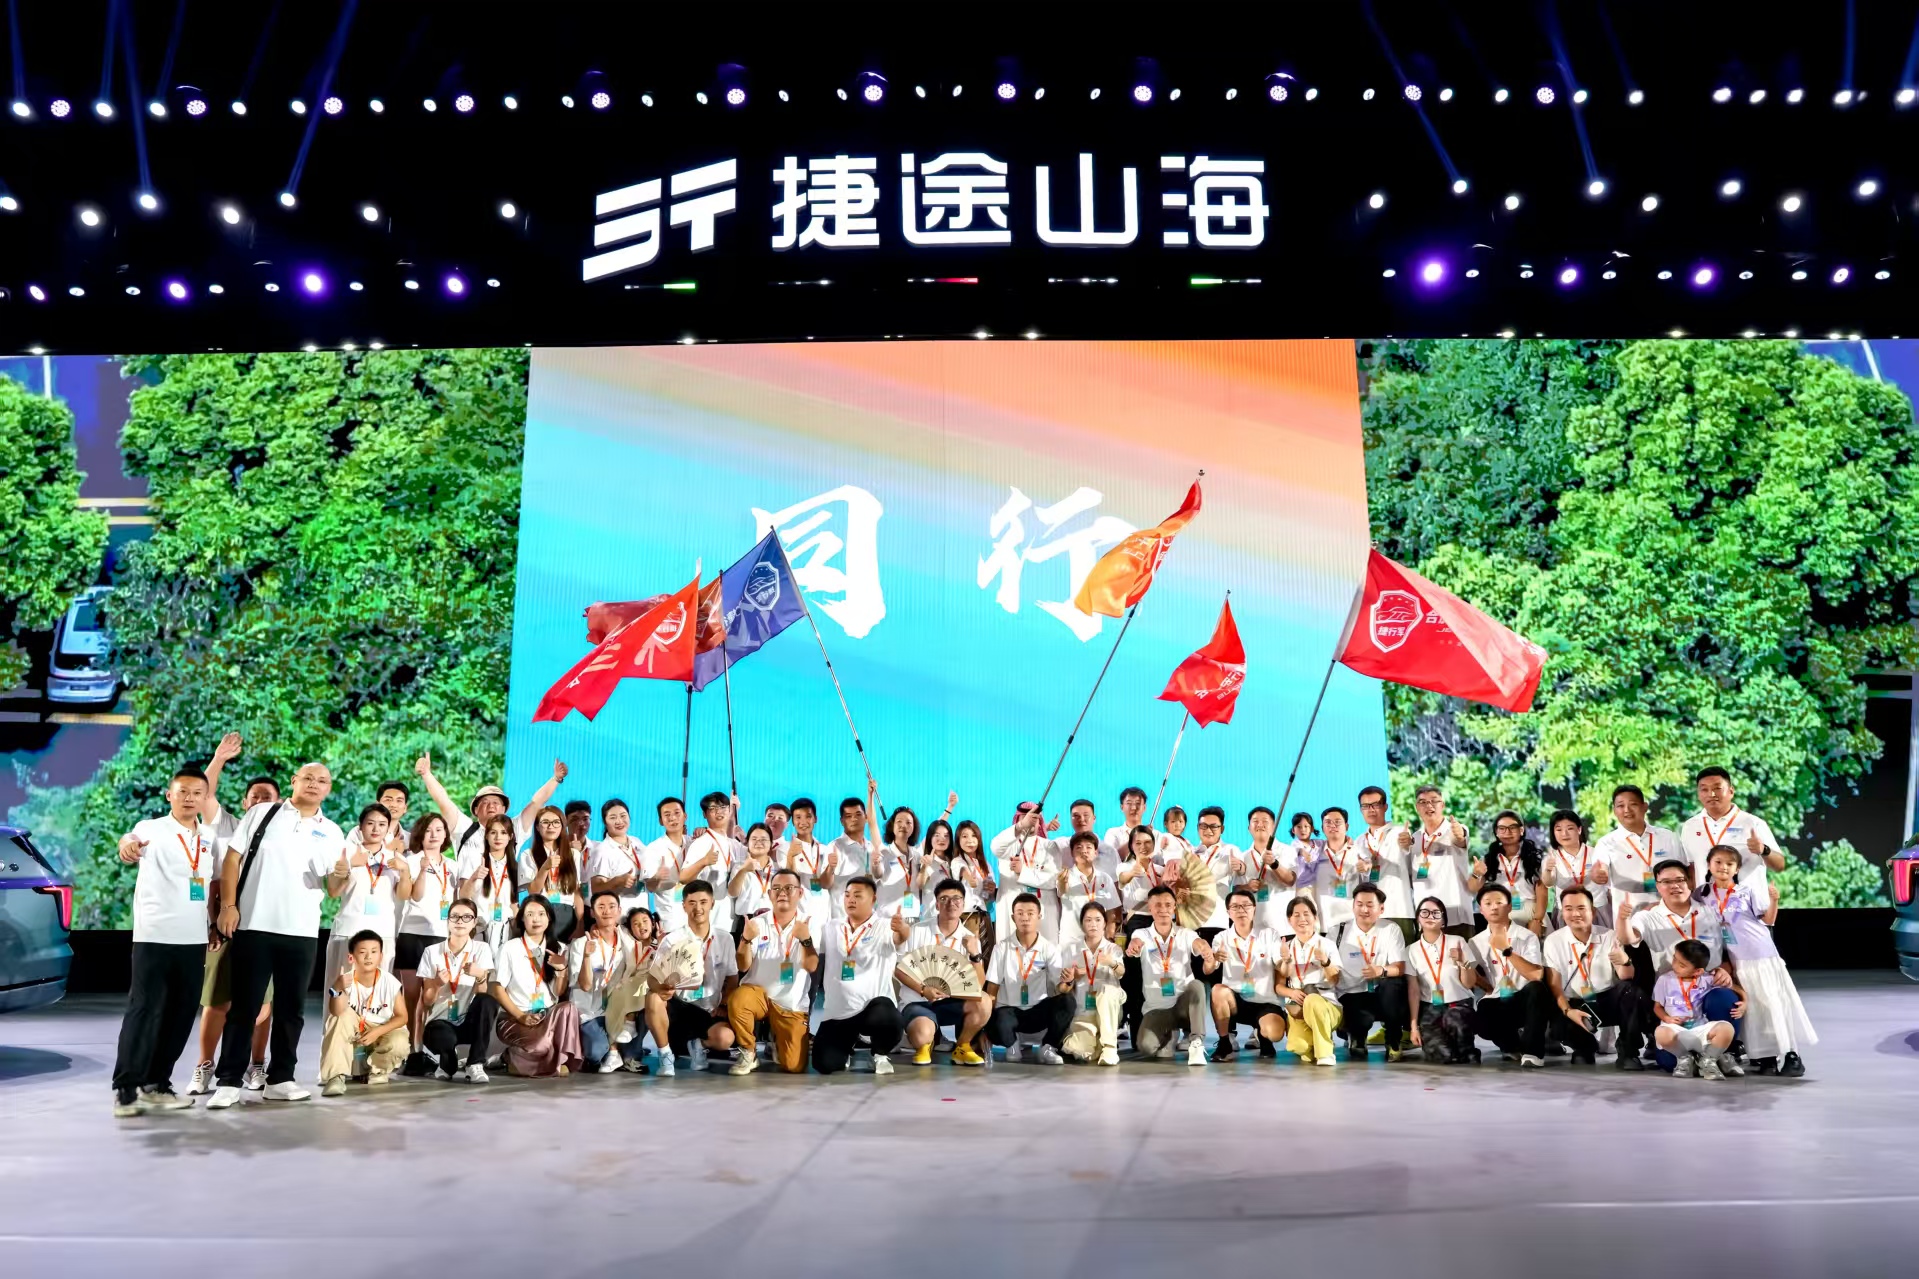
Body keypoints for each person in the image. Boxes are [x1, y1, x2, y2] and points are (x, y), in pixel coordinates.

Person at [208, 761, 344, 1110]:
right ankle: (228, 1081)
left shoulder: (332, 831)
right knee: (245, 1007)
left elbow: (332, 889)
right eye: (308, 778)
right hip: (254, 924)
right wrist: (228, 905)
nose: (314, 784)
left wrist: (343, 875)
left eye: (322, 780)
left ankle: (281, 1078)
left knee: (291, 1009)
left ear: (328, 789)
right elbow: (232, 860)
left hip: (301, 930)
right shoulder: (264, 813)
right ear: (294, 781)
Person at [111, 764, 224, 1116]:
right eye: (182, 792)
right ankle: (125, 1088)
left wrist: (213, 925)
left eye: (197, 793)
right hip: (155, 935)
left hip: (194, 939)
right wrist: (127, 847)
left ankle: (156, 1083)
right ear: (169, 795)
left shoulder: (210, 838)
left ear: (205, 798)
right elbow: (128, 840)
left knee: (181, 1013)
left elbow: (210, 886)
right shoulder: (152, 828)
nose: (189, 798)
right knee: (144, 1009)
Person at [189, 762, 278, 1096]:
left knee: (263, 1006)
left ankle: (257, 1064)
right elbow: (206, 793)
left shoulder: (282, 835)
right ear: (244, 802)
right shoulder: (228, 825)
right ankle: (204, 1065)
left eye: (267, 798)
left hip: (265, 929)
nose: (260, 801)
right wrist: (220, 757)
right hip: (225, 926)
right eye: (255, 796)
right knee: (216, 1001)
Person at [1699, 844, 1812, 1076]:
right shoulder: (1701, 893)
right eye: (1718, 862)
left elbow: (1768, 920)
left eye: (1730, 863)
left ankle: (1791, 1055)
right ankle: (1766, 1057)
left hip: (1760, 955)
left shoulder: (1746, 891)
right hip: (1735, 960)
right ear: (1708, 865)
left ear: (1737, 868)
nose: (1723, 867)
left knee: (1772, 1005)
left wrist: (1774, 900)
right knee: (1753, 1011)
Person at [812, 876, 912, 1075]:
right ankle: (847, 1045)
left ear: (873, 899)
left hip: (872, 1008)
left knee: (889, 1019)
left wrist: (902, 929)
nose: (851, 900)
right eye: (847, 895)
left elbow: (900, 937)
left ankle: (880, 1053)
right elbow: (817, 959)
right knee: (824, 1064)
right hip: (839, 1011)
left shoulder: (884, 926)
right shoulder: (831, 927)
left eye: (858, 896)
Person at [1541, 885, 1643, 1070]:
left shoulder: (1609, 936)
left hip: (1605, 1000)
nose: (1575, 914)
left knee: (1631, 991)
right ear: (1562, 912)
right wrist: (1568, 1011)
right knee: (1555, 1014)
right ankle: (1583, 1047)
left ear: (1593, 911)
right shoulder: (1553, 941)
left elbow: (1626, 976)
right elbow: (1554, 985)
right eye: (1569, 909)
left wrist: (1626, 961)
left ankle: (1628, 1050)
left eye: (1581, 908)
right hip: (1575, 1003)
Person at [727, 869, 818, 1075]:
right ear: (769, 894)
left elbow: (812, 966)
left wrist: (806, 940)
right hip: (758, 995)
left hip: (790, 1003)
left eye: (788, 888)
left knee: (794, 1066)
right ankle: (748, 1052)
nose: (782, 893)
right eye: (776, 888)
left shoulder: (809, 924)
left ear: (800, 893)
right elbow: (742, 966)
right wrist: (745, 940)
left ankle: (776, 1038)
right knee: (739, 1000)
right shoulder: (757, 923)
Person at [644, 880, 738, 1075]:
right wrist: (660, 989)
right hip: (679, 1008)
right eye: (692, 903)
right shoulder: (672, 939)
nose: (698, 908)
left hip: (709, 1011)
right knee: (653, 997)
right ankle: (665, 1057)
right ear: (684, 906)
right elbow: (652, 978)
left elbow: (732, 978)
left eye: (703, 902)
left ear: (712, 903)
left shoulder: (725, 939)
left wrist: (724, 1003)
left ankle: (698, 1045)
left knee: (725, 1038)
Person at [895, 878, 991, 1066]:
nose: (951, 903)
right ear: (937, 904)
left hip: (952, 1002)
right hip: (918, 1001)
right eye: (944, 899)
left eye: (956, 899)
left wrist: (975, 955)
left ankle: (963, 1046)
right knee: (922, 1036)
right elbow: (899, 970)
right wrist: (923, 990)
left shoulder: (969, 938)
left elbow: (978, 986)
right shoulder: (918, 931)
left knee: (984, 1001)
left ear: (963, 903)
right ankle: (926, 1041)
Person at [1594, 784, 1680, 993]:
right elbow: (1599, 868)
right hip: (1631, 925)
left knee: (1675, 977)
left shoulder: (1667, 837)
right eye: (1620, 805)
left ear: (1644, 806)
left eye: (1632, 804)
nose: (1626, 810)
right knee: (1642, 982)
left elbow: (1684, 873)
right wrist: (1599, 873)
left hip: (1668, 920)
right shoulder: (1607, 843)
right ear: (1614, 810)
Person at [490, 896, 582, 1077]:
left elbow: (558, 992)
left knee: (568, 1008)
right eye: (530, 914)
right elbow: (497, 989)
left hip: (547, 1016)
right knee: (541, 1046)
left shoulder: (560, 948)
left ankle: (548, 1061)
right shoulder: (509, 948)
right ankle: (510, 1057)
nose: (536, 919)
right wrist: (520, 1016)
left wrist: (561, 969)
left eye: (541, 914)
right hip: (515, 1018)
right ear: (522, 919)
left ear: (549, 918)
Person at [415, 751, 565, 861]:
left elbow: (536, 802)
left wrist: (556, 779)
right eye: (485, 802)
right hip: (468, 896)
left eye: (496, 802)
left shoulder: (515, 829)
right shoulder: (464, 828)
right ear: (475, 810)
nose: (491, 806)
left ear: (504, 809)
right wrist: (426, 774)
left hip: (505, 896)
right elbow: (443, 800)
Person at [1466, 884, 1553, 1067]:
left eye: (1499, 902)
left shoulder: (1526, 936)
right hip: (1499, 998)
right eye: (1488, 903)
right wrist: (1487, 987)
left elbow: (1536, 974)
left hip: (1524, 999)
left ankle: (1533, 1052)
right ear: (1481, 910)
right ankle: (1512, 1046)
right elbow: (1470, 976)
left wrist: (1507, 950)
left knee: (1537, 989)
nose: (1494, 907)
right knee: (1483, 1011)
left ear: (1510, 906)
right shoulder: (1476, 942)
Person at [323, 803, 411, 981]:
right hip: (349, 930)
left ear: (388, 828)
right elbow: (333, 891)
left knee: (378, 989)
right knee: (341, 988)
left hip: (383, 932)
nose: (376, 829)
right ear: (361, 827)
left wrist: (405, 871)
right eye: (370, 823)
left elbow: (403, 896)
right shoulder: (346, 853)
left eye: (382, 824)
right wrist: (350, 865)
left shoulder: (396, 858)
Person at [318, 931, 410, 1096]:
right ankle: (335, 1077)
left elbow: (402, 1017)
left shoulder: (390, 982)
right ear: (351, 957)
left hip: (382, 1029)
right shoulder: (345, 980)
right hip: (356, 1030)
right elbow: (336, 1012)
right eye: (362, 952)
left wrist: (377, 1031)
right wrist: (337, 988)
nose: (368, 957)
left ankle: (377, 1070)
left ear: (381, 956)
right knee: (339, 1018)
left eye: (374, 952)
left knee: (400, 1041)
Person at [395, 811, 455, 1061]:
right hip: (412, 933)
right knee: (411, 995)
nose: (433, 835)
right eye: (428, 830)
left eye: (439, 830)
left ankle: (429, 1047)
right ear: (420, 834)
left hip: (440, 936)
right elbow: (415, 897)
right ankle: (411, 1048)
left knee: (433, 995)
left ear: (445, 834)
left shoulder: (452, 865)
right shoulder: (410, 860)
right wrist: (420, 871)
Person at [1127, 885, 1211, 1065]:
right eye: (1157, 905)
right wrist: (1133, 946)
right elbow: (1136, 942)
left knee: (1197, 986)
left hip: (1183, 1005)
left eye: (1167, 905)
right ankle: (1170, 1035)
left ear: (1174, 907)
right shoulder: (1141, 933)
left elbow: (1197, 943)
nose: (1163, 909)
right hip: (1157, 1008)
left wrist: (1203, 946)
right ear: (1150, 908)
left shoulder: (1185, 933)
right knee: (1146, 1047)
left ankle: (1196, 1043)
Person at [984, 892, 1072, 1064]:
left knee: (1067, 1001)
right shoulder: (1001, 948)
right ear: (1013, 918)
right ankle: (1011, 1044)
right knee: (997, 1014)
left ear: (1039, 917)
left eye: (1030, 913)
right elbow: (992, 987)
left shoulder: (1049, 948)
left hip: (1037, 1010)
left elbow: (1060, 987)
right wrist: (986, 1021)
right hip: (1010, 1011)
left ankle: (1048, 1047)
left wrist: (1068, 981)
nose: (1025, 918)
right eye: (1020, 913)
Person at [416, 897, 496, 1083]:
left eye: (467, 917)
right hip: (441, 1021)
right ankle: (447, 1060)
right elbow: (427, 1001)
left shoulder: (481, 949)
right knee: (444, 1040)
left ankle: (475, 1063)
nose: (460, 921)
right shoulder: (432, 951)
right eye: (455, 916)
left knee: (488, 1001)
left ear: (474, 922)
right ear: (448, 920)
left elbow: (482, 994)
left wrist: (480, 975)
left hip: (468, 1020)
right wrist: (437, 984)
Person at [1203, 888, 1288, 1062]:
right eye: (1235, 906)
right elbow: (1208, 970)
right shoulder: (1221, 937)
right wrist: (1212, 959)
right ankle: (1224, 1043)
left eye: (1246, 905)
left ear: (1254, 908)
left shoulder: (1269, 934)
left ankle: (1263, 1037)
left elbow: (1281, 966)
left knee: (1275, 1033)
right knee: (1218, 990)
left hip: (1265, 1002)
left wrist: (1286, 959)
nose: (1241, 910)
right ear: (1228, 912)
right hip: (1237, 1001)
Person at [1332, 882, 1409, 1063]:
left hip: (1381, 992)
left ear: (1381, 909)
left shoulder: (1390, 929)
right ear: (1353, 906)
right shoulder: (1338, 932)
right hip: (1351, 993)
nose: (1364, 910)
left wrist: (1381, 970)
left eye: (1370, 905)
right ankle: (1357, 1038)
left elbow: (1399, 967)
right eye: (1359, 904)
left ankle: (1393, 1040)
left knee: (1394, 984)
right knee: (1355, 1012)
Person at [1682, 767, 1787, 896]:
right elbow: (1690, 869)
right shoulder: (1690, 826)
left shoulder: (1753, 823)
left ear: (1731, 791)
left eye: (1717, 788)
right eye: (1704, 789)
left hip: (1747, 905)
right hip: (1707, 905)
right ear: (1698, 794)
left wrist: (1763, 850)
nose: (1711, 794)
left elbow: (1780, 865)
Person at [1116, 824, 1175, 1044]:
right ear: (1131, 845)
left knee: (1161, 974)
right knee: (1136, 979)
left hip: (1162, 923)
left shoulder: (1161, 869)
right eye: (1138, 843)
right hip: (1137, 923)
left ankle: (1165, 1031)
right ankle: (1137, 1035)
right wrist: (1133, 872)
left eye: (1148, 842)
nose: (1143, 846)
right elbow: (1122, 879)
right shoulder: (1124, 866)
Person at [570, 890, 641, 1073]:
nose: (607, 911)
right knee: (595, 1052)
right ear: (592, 913)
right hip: (591, 1012)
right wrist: (587, 956)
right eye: (601, 907)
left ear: (619, 911)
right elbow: (585, 985)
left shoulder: (628, 940)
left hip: (617, 1008)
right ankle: (611, 1050)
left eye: (611, 906)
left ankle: (624, 1051)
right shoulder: (580, 944)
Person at [1651, 939, 1741, 1079]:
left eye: (1682, 965)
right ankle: (1684, 1058)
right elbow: (1657, 1007)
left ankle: (1708, 1060)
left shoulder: (1707, 979)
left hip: (1700, 1029)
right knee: (1661, 1032)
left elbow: (1734, 988)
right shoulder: (1664, 980)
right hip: (1676, 1031)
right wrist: (1667, 1018)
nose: (1675, 966)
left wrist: (1745, 1001)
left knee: (1726, 1029)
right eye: (1674, 959)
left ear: (1698, 971)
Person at [1406, 895, 1479, 1064]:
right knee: (1441, 1056)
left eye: (1436, 913)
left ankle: (1467, 1051)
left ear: (1444, 921)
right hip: (1430, 1008)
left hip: (1458, 1004)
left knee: (1455, 1019)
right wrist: (1414, 1027)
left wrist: (1462, 962)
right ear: (1418, 918)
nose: (1430, 916)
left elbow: (1469, 983)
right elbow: (1414, 990)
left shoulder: (1458, 941)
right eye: (1425, 912)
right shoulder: (1410, 950)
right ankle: (1452, 1051)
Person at [1058, 901, 1127, 1065]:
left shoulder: (1113, 949)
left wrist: (1111, 962)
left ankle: (1109, 1048)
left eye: (1097, 920)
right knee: (1082, 1051)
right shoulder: (1071, 950)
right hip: (1084, 1012)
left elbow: (1121, 972)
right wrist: (1070, 980)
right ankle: (1099, 1041)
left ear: (1105, 923)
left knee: (1107, 989)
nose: (1093, 924)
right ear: (1082, 924)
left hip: (1110, 1009)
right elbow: (1062, 989)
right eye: (1088, 920)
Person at [1275, 897, 1341, 1066]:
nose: (1302, 919)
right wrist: (1292, 992)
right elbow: (1279, 986)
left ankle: (1325, 1054)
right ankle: (1316, 1041)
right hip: (1298, 1008)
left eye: (1306, 914)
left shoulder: (1327, 944)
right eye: (1296, 915)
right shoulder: (1286, 947)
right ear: (1289, 920)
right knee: (1299, 1047)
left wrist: (1325, 961)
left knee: (1312, 1000)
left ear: (1315, 917)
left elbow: (1335, 980)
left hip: (1326, 1005)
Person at [1402, 786, 1474, 934]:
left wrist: (1459, 835)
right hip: (1425, 919)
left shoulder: (1454, 829)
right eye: (1423, 802)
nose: (1429, 806)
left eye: (1434, 801)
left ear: (1443, 805)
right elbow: (1410, 877)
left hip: (1455, 917)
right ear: (1417, 807)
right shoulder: (1415, 838)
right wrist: (1403, 849)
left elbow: (1460, 839)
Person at [992, 801, 1061, 942]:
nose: (1030, 822)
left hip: (1044, 910)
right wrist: (1021, 826)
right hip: (1012, 911)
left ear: (1040, 823)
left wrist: (1023, 872)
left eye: (1035, 819)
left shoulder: (1049, 846)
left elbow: (1053, 880)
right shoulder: (1008, 845)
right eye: (1025, 818)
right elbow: (995, 847)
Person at [1356, 785, 1416, 941]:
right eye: (1365, 806)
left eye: (1375, 805)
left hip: (1399, 909)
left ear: (1385, 807)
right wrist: (1363, 869)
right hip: (1370, 913)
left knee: (1403, 954)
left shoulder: (1399, 832)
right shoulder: (1359, 841)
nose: (1370, 810)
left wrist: (1408, 843)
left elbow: (1408, 850)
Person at [520, 804, 583, 944]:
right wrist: (545, 868)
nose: (551, 826)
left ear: (562, 826)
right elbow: (533, 891)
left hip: (567, 913)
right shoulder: (528, 855)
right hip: (542, 911)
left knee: (565, 954)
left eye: (556, 822)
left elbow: (577, 892)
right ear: (537, 827)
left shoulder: (573, 854)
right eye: (545, 822)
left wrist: (580, 923)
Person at [1187, 806, 1244, 959]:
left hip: (1217, 919)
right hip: (1191, 922)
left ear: (1222, 829)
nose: (1208, 830)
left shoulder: (1230, 850)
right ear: (1198, 828)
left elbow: (1241, 875)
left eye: (1214, 826)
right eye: (1203, 826)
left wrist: (1240, 867)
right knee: (1194, 970)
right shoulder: (1190, 852)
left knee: (1217, 968)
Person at [685, 790, 745, 934]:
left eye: (723, 807)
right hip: (710, 919)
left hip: (732, 918)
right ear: (704, 814)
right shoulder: (701, 843)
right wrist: (704, 862)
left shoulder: (735, 845)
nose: (719, 811)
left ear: (729, 810)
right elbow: (684, 877)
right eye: (713, 808)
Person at [457, 814, 521, 946]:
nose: (498, 837)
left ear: (510, 836)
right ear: (486, 835)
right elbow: (462, 896)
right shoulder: (474, 859)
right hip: (479, 927)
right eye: (493, 832)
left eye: (503, 832)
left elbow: (514, 904)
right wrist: (474, 877)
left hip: (507, 928)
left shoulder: (515, 867)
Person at [1478, 811, 1548, 932]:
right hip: (1502, 915)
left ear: (1521, 830)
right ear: (1496, 832)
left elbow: (1542, 891)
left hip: (1531, 912)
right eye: (1502, 828)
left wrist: (1537, 920)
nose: (1507, 832)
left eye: (1512, 828)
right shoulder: (1488, 860)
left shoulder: (1535, 857)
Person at [1543, 808, 1609, 931]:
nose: (1564, 834)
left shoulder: (1595, 853)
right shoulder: (1551, 857)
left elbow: (1607, 882)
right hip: (1566, 912)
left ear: (1579, 829)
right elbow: (1548, 883)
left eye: (1569, 828)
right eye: (1559, 829)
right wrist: (1547, 870)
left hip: (1597, 909)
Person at [1302, 805, 1359, 938]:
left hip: (1352, 922)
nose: (1333, 826)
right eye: (1328, 822)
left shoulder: (1358, 851)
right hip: (1323, 923)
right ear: (1322, 828)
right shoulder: (1313, 854)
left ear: (1347, 826)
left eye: (1337, 822)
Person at [586, 798, 649, 920]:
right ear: (605, 822)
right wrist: (617, 881)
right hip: (619, 919)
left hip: (641, 916)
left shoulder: (637, 842)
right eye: (613, 817)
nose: (619, 821)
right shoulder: (602, 850)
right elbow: (596, 889)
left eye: (623, 816)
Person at [640, 795, 694, 933]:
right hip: (671, 920)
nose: (672, 818)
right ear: (660, 821)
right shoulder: (653, 849)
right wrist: (657, 877)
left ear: (685, 816)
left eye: (677, 813)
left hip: (697, 916)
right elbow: (650, 887)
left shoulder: (694, 844)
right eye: (667, 815)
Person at [1055, 830, 1119, 944]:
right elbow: (1062, 890)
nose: (1084, 851)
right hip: (1072, 939)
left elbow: (1111, 910)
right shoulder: (1065, 876)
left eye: (1088, 847)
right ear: (1072, 853)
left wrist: (1110, 932)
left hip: (1099, 940)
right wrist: (1062, 882)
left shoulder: (1105, 878)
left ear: (1096, 852)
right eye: (1078, 847)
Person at [784, 798, 836, 940]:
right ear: (793, 821)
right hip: (799, 913)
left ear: (815, 819)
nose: (803, 822)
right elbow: (788, 883)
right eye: (798, 817)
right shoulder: (785, 848)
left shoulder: (825, 849)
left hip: (823, 913)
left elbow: (826, 884)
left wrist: (831, 867)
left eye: (808, 816)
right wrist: (791, 856)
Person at [1245, 806, 1300, 933]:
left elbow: (1290, 880)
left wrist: (1274, 863)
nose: (1260, 825)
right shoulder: (1243, 857)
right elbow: (1236, 891)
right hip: (1253, 930)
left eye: (1265, 821)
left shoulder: (1288, 851)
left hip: (1283, 928)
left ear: (1274, 826)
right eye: (1255, 821)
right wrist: (1248, 887)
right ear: (1249, 828)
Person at [824, 791, 876, 921]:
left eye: (858, 814)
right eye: (848, 816)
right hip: (842, 918)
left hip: (869, 918)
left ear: (866, 817)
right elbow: (824, 884)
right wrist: (830, 868)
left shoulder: (872, 847)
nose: (854, 819)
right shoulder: (835, 847)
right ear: (842, 821)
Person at [948, 819, 998, 951]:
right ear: (958, 840)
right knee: (970, 955)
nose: (970, 840)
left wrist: (991, 891)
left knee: (987, 954)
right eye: (964, 836)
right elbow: (962, 870)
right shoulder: (957, 861)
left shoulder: (986, 865)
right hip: (967, 915)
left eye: (973, 836)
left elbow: (988, 899)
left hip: (984, 915)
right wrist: (970, 879)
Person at [727, 822, 782, 938]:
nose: (759, 842)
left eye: (763, 839)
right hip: (746, 921)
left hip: (772, 921)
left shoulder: (778, 869)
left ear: (771, 844)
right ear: (747, 843)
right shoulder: (739, 866)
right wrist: (744, 870)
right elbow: (732, 893)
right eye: (754, 839)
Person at [1099, 786, 1148, 879]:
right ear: (1122, 807)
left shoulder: (1156, 834)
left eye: (1138, 803)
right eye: (1129, 803)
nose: (1134, 808)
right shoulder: (1113, 833)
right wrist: (1136, 838)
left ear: (1144, 807)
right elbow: (1110, 860)